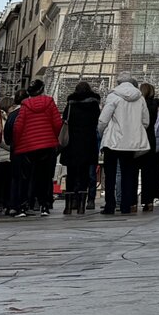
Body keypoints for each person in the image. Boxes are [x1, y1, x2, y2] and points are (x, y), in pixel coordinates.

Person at [11, 79, 64, 216]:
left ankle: (23, 207)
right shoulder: (50, 102)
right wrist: (53, 137)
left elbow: (18, 127)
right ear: (42, 90)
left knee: (26, 177)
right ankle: (44, 206)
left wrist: (17, 143)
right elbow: (58, 123)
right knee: (44, 177)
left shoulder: (25, 105)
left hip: (28, 146)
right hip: (47, 145)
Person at [98, 77, 148, 215]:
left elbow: (103, 120)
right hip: (130, 143)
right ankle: (126, 205)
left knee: (110, 176)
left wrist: (103, 133)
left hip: (112, 141)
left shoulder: (113, 96)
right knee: (127, 174)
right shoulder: (140, 98)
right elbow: (146, 121)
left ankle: (110, 205)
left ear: (118, 83)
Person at [59, 81, 101, 215]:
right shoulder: (94, 104)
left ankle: (68, 206)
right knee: (84, 174)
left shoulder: (71, 104)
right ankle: (82, 205)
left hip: (72, 142)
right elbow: (97, 121)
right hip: (88, 142)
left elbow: (65, 119)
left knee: (71, 174)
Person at [139, 82, 159, 208]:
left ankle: (132, 202)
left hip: (140, 138)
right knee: (149, 171)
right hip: (151, 139)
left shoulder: (140, 104)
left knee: (133, 170)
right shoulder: (155, 105)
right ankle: (148, 201)